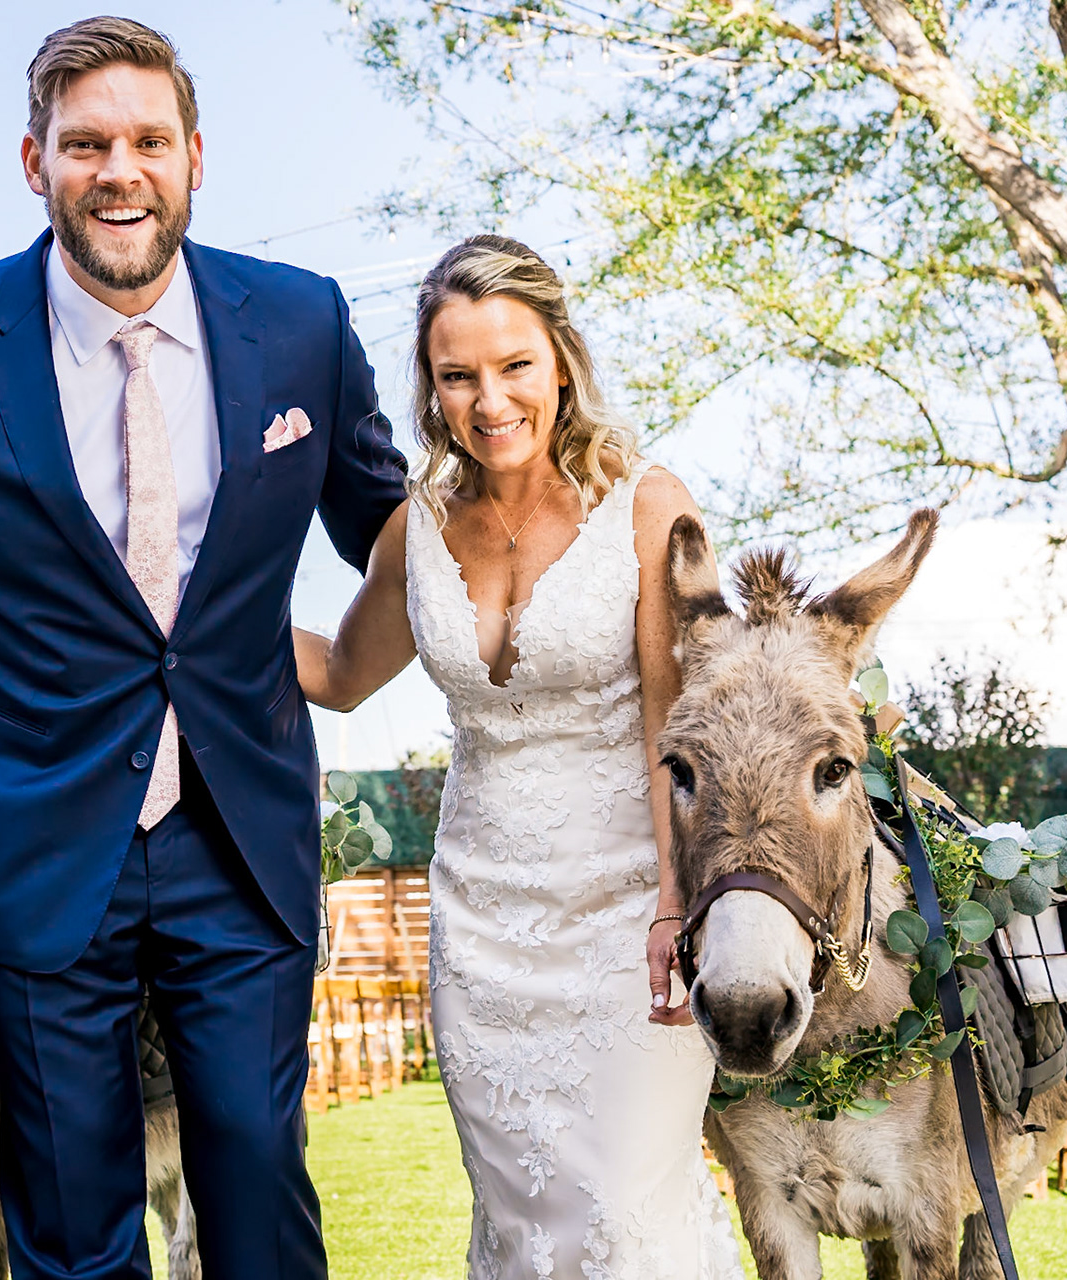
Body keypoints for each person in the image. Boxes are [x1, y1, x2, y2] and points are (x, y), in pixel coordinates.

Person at [0, 17, 406, 1280]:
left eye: (149, 141)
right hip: (35, 837)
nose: (121, 170)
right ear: (34, 161)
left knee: (258, 1184)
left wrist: (495, 588)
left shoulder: (302, 325)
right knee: (68, 1205)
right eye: (87, 143)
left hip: (244, 828)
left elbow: (395, 532)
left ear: (196, 157)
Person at [295, 235, 744, 1278]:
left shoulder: (648, 506)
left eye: (514, 366)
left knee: (623, 1212)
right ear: (430, 387)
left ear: (562, 362)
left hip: (630, 918)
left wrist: (675, 908)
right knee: (520, 1220)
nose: (489, 400)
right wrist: (188, 605)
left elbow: (675, 732)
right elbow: (344, 673)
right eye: (457, 375)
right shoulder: (416, 529)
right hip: (481, 929)